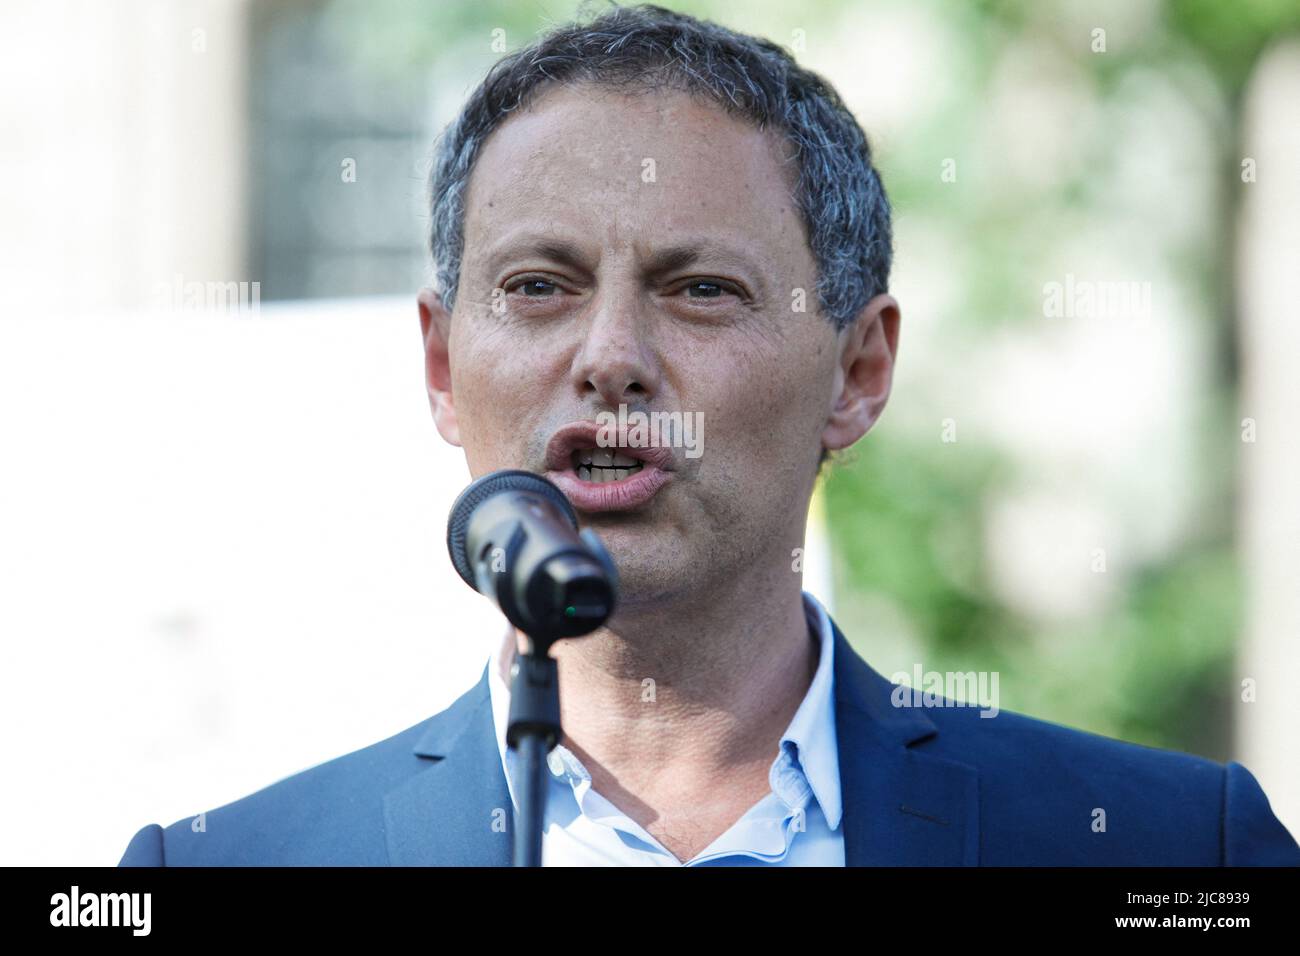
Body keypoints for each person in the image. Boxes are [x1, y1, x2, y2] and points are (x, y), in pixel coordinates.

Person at [119, 3, 1299, 867]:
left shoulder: (1173, 852)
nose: (609, 356)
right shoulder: (223, 865)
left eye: (699, 290)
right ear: (439, 365)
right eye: (538, 286)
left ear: (859, 369)